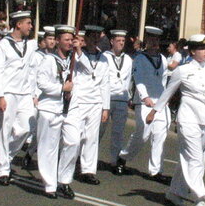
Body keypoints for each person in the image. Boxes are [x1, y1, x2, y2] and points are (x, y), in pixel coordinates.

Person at [149, 34, 205, 206]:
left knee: (194, 158)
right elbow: (168, 92)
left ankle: (174, 192)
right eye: (203, 49)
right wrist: (154, 111)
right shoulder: (183, 70)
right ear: (193, 51)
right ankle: (200, 198)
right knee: (195, 158)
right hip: (188, 119)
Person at [118, 26, 170, 183]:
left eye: (157, 40)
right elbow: (138, 78)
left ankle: (156, 171)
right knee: (143, 134)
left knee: (160, 135)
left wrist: (164, 98)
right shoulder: (140, 58)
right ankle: (123, 157)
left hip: (160, 102)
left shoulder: (163, 59)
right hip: (145, 102)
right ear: (146, 41)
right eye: (151, 40)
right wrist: (145, 97)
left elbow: (164, 80)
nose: (154, 43)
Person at [0, 10, 37, 185]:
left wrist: (33, 93)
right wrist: (0, 96)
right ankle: (3, 169)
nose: (30, 27)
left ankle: (6, 155)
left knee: (26, 128)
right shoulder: (4, 44)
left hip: (25, 93)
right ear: (18, 24)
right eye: (28, 23)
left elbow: (33, 69)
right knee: (5, 130)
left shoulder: (31, 45)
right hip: (9, 92)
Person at [34, 25, 80, 198]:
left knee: (73, 141)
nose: (70, 43)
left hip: (69, 109)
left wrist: (79, 50)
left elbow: (90, 71)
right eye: (66, 40)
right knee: (49, 148)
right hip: (51, 108)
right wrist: (61, 88)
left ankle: (64, 179)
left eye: (71, 40)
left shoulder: (75, 58)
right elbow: (42, 83)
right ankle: (50, 184)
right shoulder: (48, 60)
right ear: (58, 40)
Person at [63, 26, 109, 185]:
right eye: (92, 36)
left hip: (96, 101)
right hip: (80, 99)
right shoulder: (75, 54)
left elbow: (105, 83)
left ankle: (88, 170)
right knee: (76, 136)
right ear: (86, 37)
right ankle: (70, 164)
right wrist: (77, 51)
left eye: (98, 36)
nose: (95, 39)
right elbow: (86, 69)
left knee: (91, 138)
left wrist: (106, 107)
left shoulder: (103, 58)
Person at [104, 30, 134, 173]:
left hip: (121, 99)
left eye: (123, 40)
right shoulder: (104, 57)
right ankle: (85, 160)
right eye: (118, 40)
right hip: (106, 99)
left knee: (118, 132)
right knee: (98, 131)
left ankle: (115, 161)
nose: (121, 43)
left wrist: (129, 96)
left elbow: (129, 80)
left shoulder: (128, 59)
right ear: (112, 41)